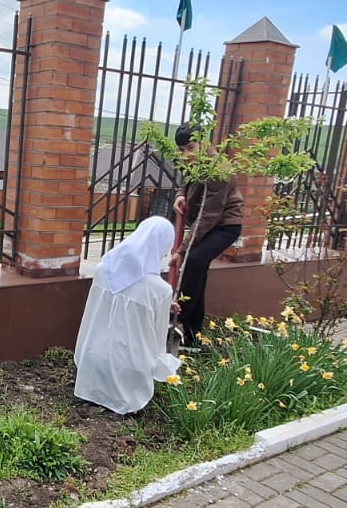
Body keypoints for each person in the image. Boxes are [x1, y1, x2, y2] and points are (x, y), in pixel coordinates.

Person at [73, 216, 183, 414]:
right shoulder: (160, 290)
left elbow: (107, 306)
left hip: (91, 358)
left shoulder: (102, 270)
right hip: (129, 371)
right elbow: (157, 343)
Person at [171, 124, 243, 345]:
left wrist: (182, 249)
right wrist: (180, 195)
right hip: (207, 224)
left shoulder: (218, 171)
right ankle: (193, 335)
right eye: (182, 150)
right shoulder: (196, 162)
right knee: (197, 270)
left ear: (203, 143)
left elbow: (208, 216)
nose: (186, 155)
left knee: (194, 260)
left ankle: (179, 319)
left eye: (190, 147)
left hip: (225, 226)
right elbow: (186, 183)